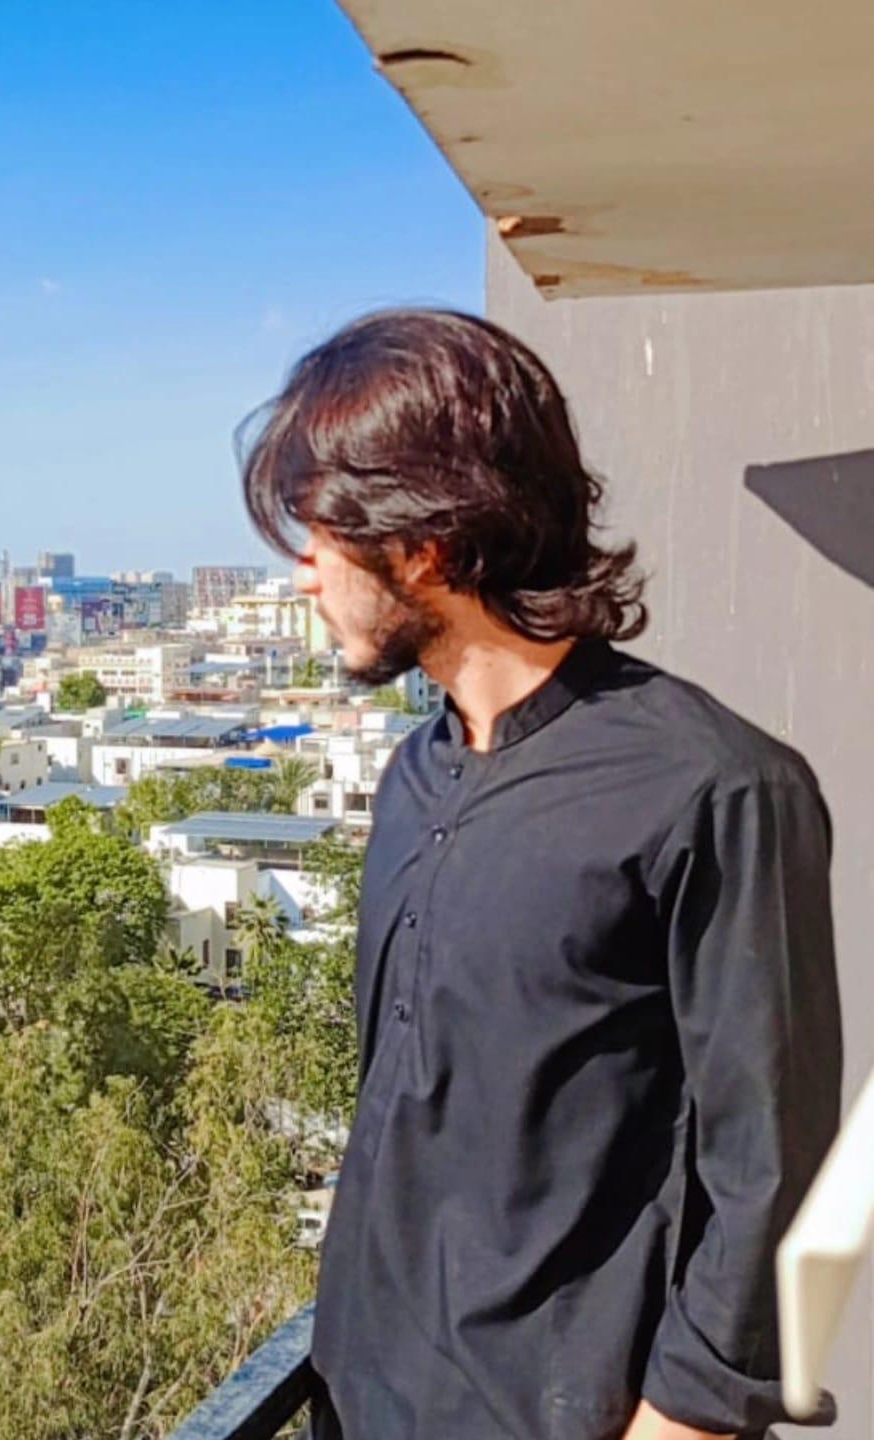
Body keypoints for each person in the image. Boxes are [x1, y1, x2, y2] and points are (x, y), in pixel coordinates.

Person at [239, 310, 843, 1440]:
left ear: (424, 545)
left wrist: (686, 1420)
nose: (304, 574)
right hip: (362, 1399)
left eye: (322, 535)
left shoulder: (715, 787)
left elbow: (771, 1164)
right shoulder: (414, 776)